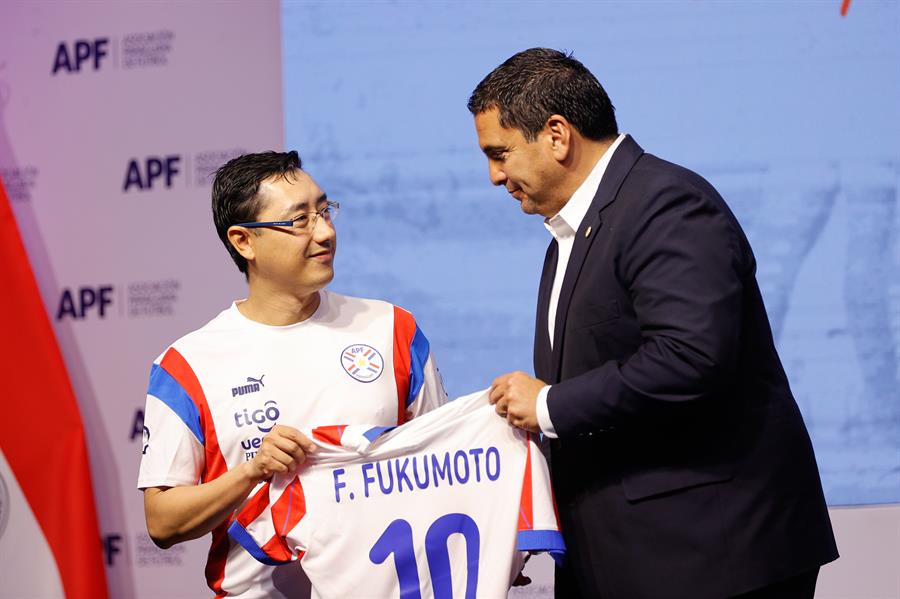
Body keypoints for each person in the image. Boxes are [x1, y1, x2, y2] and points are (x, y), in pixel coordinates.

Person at [470, 48, 838, 598]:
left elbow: (690, 356)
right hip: (630, 555)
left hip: (712, 554)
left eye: (500, 154)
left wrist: (547, 405)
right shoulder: (574, 232)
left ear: (556, 134)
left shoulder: (666, 204)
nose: (495, 177)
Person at [137, 151, 447, 598]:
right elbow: (162, 521)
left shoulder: (392, 329)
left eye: (324, 210)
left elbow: (446, 466)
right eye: (298, 221)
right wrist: (253, 472)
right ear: (244, 242)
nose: (325, 231)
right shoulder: (188, 364)